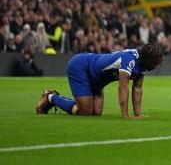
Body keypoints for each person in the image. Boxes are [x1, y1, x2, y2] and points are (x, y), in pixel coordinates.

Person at [35, 43, 164, 118]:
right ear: (148, 59)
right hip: (81, 67)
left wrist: (138, 115)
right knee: (85, 112)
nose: (158, 66)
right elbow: (123, 87)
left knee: (96, 113)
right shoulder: (128, 59)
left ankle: (56, 99)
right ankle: (50, 97)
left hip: (97, 80)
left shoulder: (142, 63)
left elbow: (137, 88)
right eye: (156, 62)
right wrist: (125, 116)